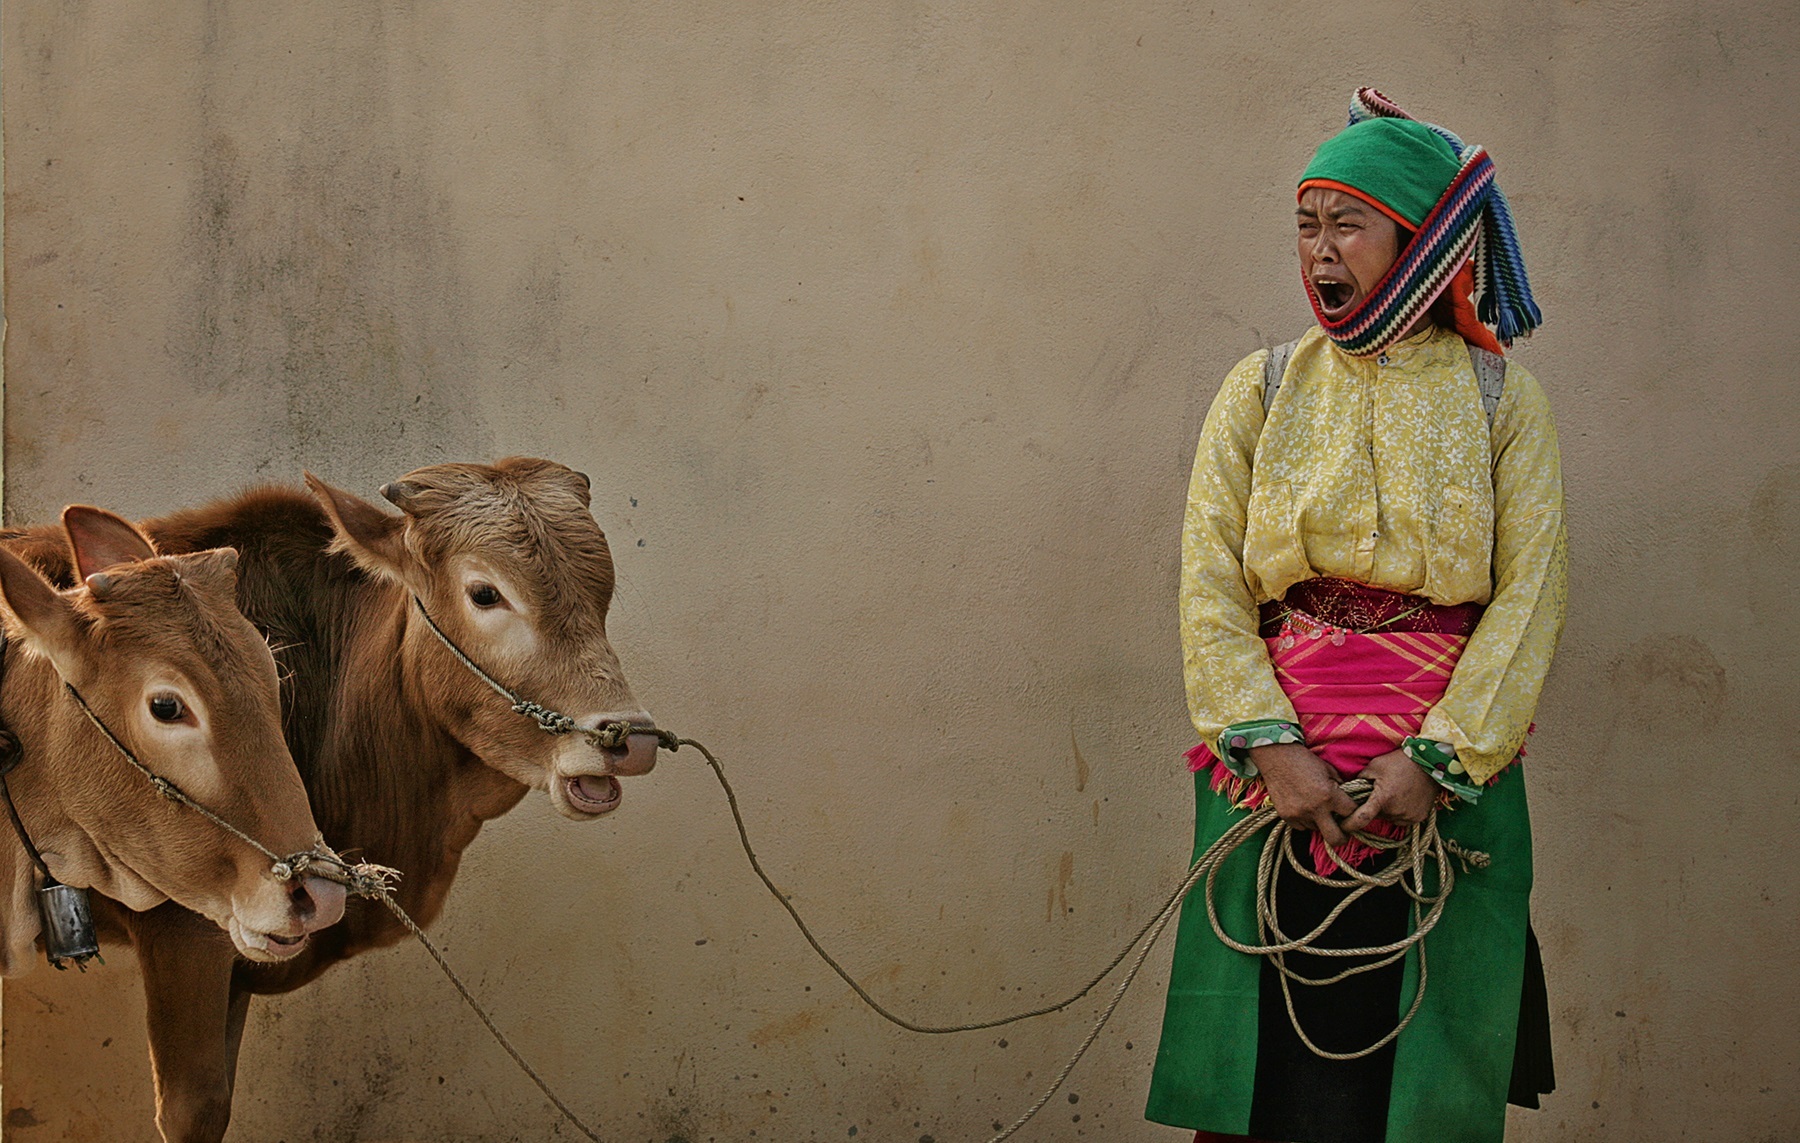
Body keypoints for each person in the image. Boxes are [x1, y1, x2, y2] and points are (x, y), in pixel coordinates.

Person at [1145, 89, 1566, 1143]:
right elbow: (1209, 586)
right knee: (1260, 1091)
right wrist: (1269, 747)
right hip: (1276, 788)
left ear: (1420, 240)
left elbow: (1531, 594)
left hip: (1439, 789)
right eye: (1305, 223)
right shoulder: (1264, 388)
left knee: (1420, 1094)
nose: (1319, 252)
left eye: (1347, 224)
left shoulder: (1501, 400)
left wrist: (1438, 761)